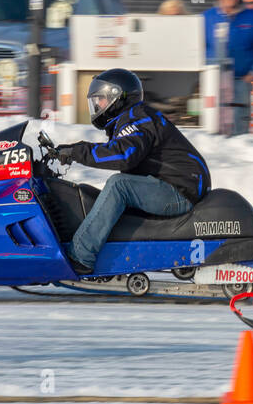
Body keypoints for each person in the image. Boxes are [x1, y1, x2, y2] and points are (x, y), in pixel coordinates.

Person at [51, 69, 211, 276]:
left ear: (116, 98)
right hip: (175, 185)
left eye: (100, 100)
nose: (97, 106)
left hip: (179, 190)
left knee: (119, 185)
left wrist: (76, 152)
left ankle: (81, 256)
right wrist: (70, 150)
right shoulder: (133, 119)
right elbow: (121, 151)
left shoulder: (138, 118)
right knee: (115, 188)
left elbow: (122, 155)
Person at [202, 0, 253, 135]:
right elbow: (197, 47)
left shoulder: (252, 17)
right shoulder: (207, 18)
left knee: (240, 121)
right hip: (214, 80)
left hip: (241, 79)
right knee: (213, 122)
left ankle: (240, 146)